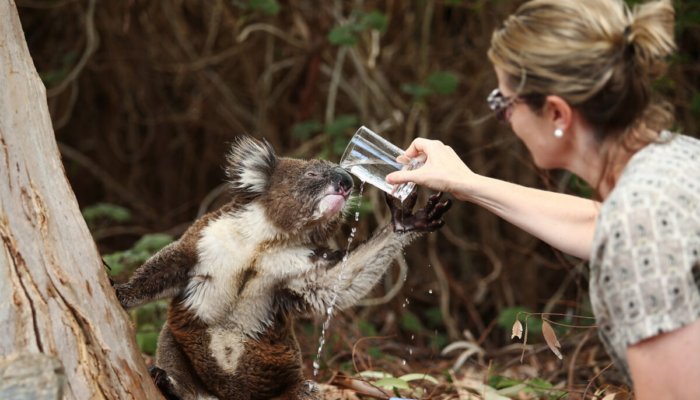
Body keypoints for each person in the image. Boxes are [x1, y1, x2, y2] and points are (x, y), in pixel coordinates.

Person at [386, 0, 700, 398]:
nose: (504, 119)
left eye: (503, 104)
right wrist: (465, 182)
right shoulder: (675, 160)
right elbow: (598, 224)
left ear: (556, 114)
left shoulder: (639, 225)